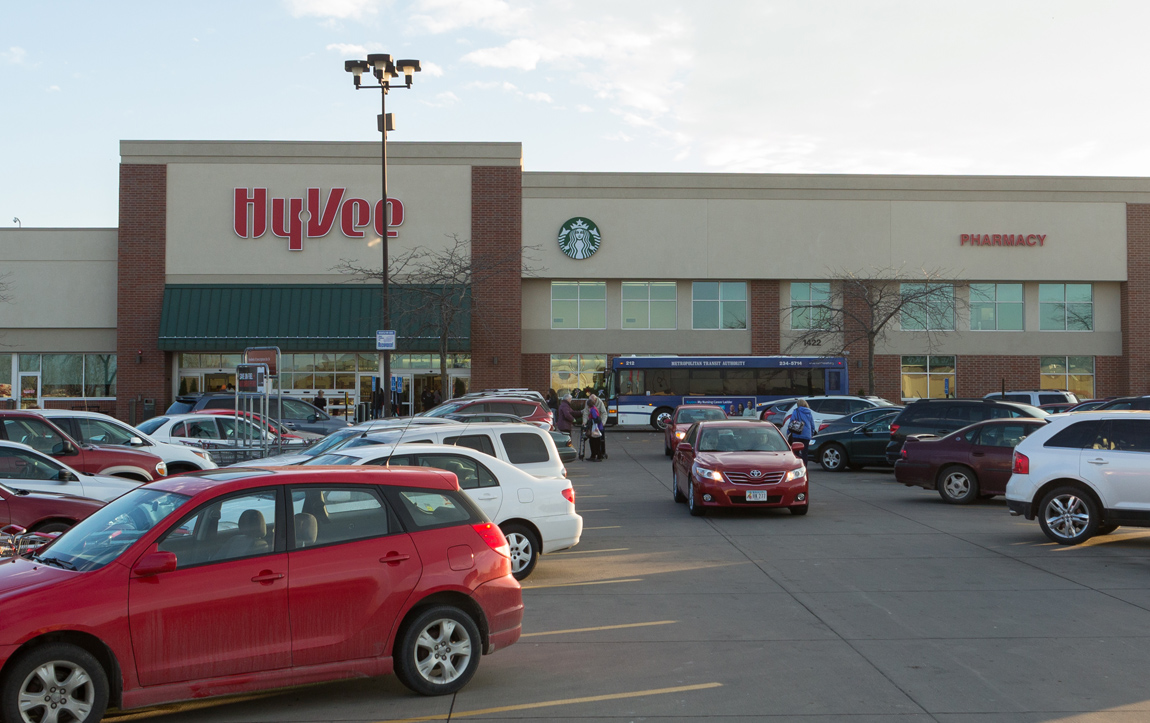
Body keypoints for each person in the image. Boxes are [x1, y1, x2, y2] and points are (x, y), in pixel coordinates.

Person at [786, 398, 815, 466]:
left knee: (796, 452)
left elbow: (792, 422)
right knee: (805, 453)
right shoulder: (809, 412)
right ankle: (805, 467)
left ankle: (797, 466)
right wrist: (811, 433)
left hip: (797, 434)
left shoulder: (796, 411)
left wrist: (788, 432)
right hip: (806, 435)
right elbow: (812, 424)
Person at [584, 394, 605, 461]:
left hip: (596, 428)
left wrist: (589, 421)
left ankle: (597, 455)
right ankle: (596, 455)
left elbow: (596, 418)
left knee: (594, 442)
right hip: (597, 427)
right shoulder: (594, 409)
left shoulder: (593, 410)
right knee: (595, 442)